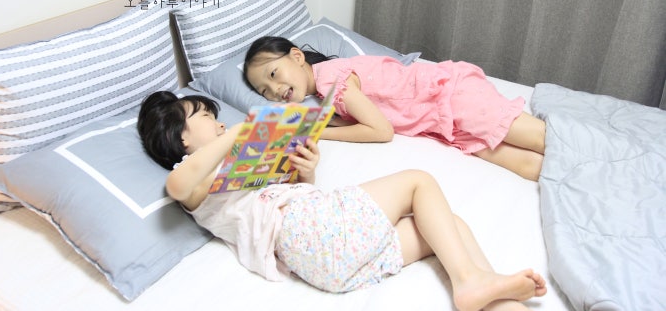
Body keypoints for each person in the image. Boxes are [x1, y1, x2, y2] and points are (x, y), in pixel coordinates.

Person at [137, 91, 547, 311]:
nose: (218, 122)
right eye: (206, 117)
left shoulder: (236, 165)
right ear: (181, 137)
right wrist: (239, 134)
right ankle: (471, 282)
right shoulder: (192, 178)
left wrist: (305, 170)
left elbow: (289, 191)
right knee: (419, 182)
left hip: (322, 259)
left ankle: (493, 299)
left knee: (448, 226)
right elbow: (180, 184)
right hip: (306, 233)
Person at [243, 37, 546, 181]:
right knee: (528, 167)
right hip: (438, 121)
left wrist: (319, 133)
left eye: (273, 74)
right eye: (265, 91)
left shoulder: (329, 77)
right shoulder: (324, 94)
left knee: (543, 139)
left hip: (450, 94)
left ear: (297, 57)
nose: (275, 90)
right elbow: (359, 116)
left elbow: (381, 130)